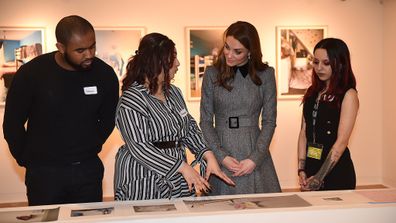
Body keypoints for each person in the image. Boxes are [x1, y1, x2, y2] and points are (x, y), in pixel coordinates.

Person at [2, 15, 119, 205]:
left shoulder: (104, 74)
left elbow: (108, 118)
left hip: (87, 170)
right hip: (44, 174)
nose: (89, 54)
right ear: (61, 47)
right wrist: (28, 160)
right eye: (80, 50)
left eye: (92, 46)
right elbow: (12, 124)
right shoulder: (32, 74)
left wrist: (90, 146)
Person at [114, 32, 234, 200]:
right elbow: (140, 148)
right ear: (156, 62)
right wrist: (183, 167)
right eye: (173, 58)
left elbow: (189, 128)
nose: (178, 63)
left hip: (178, 174)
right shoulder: (131, 100)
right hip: (145, 176)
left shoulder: (174, 93)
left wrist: (208, 154)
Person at [199, 21, 281, 195]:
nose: (229, 55)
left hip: (253, 150)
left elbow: (269, 121)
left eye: (238, 52)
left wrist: (254, 159)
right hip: (221, 148)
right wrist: (221, 156)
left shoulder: (266, 74)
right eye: (227, 47)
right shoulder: (211, 74)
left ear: (250, 52)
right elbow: (205, 121)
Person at [297, 38, 358, 191]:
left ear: (341, 63)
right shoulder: (311, 92)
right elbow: (303, 132)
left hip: (337, 174)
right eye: (316, 62)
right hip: (311, 168)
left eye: (326, 63)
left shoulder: (348, 95)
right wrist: (301, 169)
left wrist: (319, 178)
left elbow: (341, 142)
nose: (319, 68)